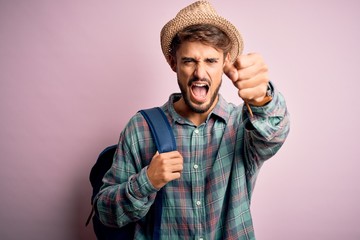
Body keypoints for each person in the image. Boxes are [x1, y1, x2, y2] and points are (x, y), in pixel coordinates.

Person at [95, 1, 290, 239]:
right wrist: (147, 181)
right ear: (173, 62)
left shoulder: (242, 124)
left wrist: (262, 98)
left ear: (225, 62)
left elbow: (275, 133)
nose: (200, 73)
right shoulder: (140, 128)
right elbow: (105, 212)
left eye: (210, 61)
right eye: (189, 61)